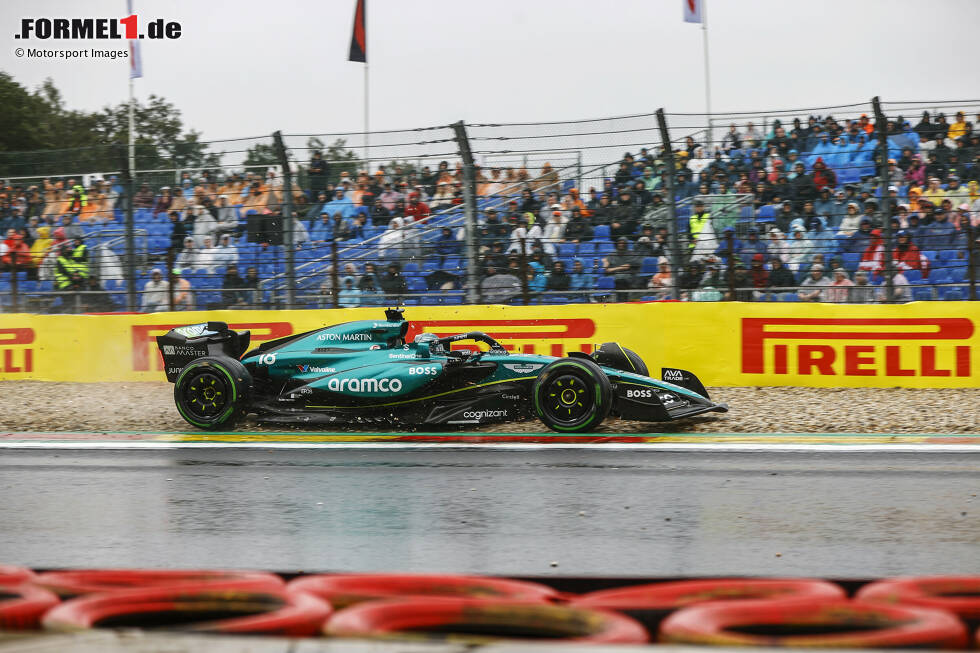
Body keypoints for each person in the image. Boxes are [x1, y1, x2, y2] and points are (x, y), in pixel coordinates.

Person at [603, 237, 639, 301]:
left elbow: (627, 266)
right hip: (616, 277)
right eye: (619, 243)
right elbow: (606, 266)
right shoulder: (613, 254)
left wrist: (612, 269)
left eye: (623, 243)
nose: (621, 244)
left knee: (622, 280)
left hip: (627, 277)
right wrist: (605, 263)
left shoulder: (631, 253)